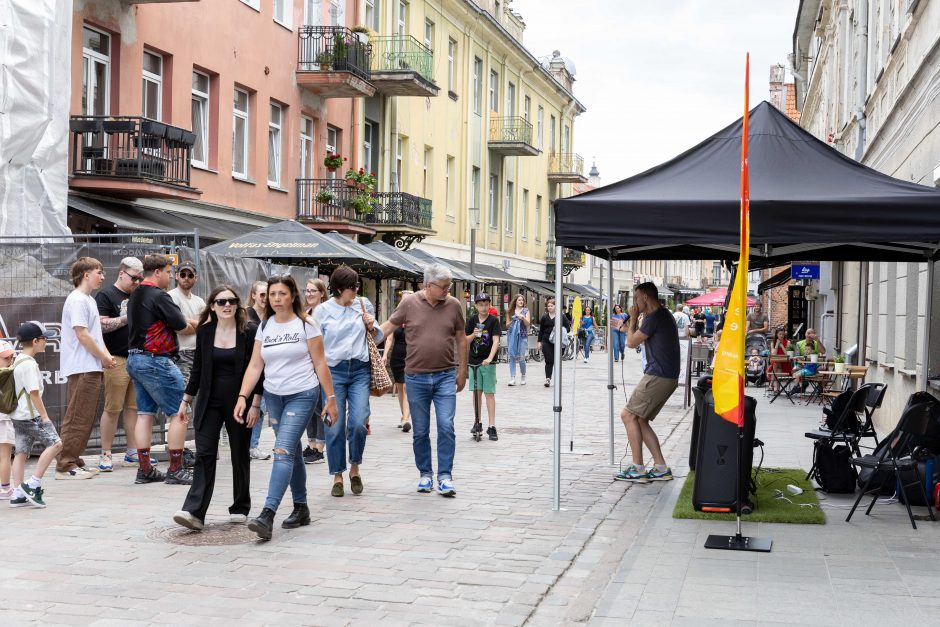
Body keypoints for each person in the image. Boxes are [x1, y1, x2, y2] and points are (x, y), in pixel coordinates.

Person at [235, 275, 337, 539]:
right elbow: (256, 365)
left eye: (282, 294)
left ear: (293, 296)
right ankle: (301, 507)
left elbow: (320, 363)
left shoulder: (306, 324)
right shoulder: (265, 326)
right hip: (274, 396)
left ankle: (267, 513)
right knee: (290, 449)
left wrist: (331, 399)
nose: (276, 299)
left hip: (302, 393)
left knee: (281, 451)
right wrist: (243, 397)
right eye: (272, 295)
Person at [173, 285, 263, 531]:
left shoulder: (250, 331)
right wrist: (186, 400)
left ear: (237, 305)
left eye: (232, 301)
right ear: (212, 305)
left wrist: (255, 403)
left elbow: (259, 371)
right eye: (221, 301)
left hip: (240, 402)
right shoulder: (205, 331)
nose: (227, 306)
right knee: (204, 453)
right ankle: (194, 512)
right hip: (209, 401)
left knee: (239, 453)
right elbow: (198, 369)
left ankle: (240, 506)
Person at [380, 263, 467, 497]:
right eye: (444, 286)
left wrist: (463, 371)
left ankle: (445, 476)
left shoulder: (454, 305)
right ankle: (425, 474)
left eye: (450, 285)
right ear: (428, 285)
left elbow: (461, 338)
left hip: (446, 375)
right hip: (416, 377)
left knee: (446, 426)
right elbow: (390, 325)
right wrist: (370, 333)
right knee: (420, 430)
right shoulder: (409, 303)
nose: (448, 290)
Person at [126, 254, 197, 486]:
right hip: (156, 360)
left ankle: (145, 469)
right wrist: (200, 322)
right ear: (157, 272)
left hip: (135, 359)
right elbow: (181, 325)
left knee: (145, 414)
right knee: (179, 412)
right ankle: (175, 469)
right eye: (168, 272)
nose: (170, 276)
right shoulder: (159, 295)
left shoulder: (135, 293)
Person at [313, 267, 383, 498]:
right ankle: (337, 475)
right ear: (340, 289)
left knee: (359, 423)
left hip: (360, 370)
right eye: (352, 287)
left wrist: (371, 325)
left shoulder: (362, 305)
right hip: (334, 372)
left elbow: (378, 336)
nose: (356, 290)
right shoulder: (322, 311)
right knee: (334, 426)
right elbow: (314, 344)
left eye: (357, 286)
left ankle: (355, 467)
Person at [612, 282, 679, 483]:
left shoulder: (654, 316)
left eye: (636, 298)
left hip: (658, 375)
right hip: (667, 376)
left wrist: (632, 318)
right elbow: (635, 336)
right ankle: (660, 467)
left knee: (628, 415)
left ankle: (638, 468)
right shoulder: (660, 316)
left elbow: (632, 343)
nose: (634, 302)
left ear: (645, 298)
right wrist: (628, 327)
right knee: (640, 419)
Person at [57, 256, 117, 480]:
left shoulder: (88, 300)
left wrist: (104, 357)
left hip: (90, 366)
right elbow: (82, 334)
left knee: (84, 416)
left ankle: (74, 460)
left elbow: (91, 334)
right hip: (82, 366)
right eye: (98, 272)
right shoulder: (78, 300)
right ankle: (65, 465)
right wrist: (104, 356)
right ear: (86, 275)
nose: (102, 276)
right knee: (77, 416)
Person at [95, 256, 144, 472]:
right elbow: (100, 325)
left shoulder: (139, 295)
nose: (137, 282)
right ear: (122, 273)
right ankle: (106, 453)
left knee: (134, 408)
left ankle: (133, 451)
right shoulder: (106, 294)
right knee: (113, 408)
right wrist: (125, 318)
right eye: (134, 278)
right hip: (116, 358)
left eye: (140, 278)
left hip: (137, 356)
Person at [9, 322, 63, 508]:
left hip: (18, 416)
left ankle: (17, 493)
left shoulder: (18, 360)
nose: (46, 342)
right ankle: (33, 483)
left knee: (21, 452)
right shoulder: (29, 364)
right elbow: (33, 393)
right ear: (35, 340)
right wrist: (45, 417)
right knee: (56, 444)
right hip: (31, 416)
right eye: (44, 338)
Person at [168, 261, 206, 409]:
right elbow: (179, 328)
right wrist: (198, 324)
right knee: (181, 399)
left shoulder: (199, 301)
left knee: (201, 398)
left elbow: (207, 325)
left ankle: (196, 432)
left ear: (195, 278)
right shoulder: (170, 297)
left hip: (199, 352)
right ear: (176, 276)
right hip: (180, 353)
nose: (186, 278)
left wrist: (189, 322)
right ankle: (174, 431)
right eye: (183, 274)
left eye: (190, 275)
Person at [466, 293, 501, 441]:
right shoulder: (472, 321)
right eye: (481, 305)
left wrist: (490, 358)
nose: (484, 307)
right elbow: (464, 340)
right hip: (473, 361)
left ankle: (491, 425)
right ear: (476, 306)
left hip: (487, 363)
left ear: (490, 305)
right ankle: (477, 421)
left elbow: (496, 341)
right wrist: (474, 335)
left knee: (489, 393)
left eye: (486, 304)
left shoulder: (493, 321)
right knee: (476, 393)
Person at [301, 278, 328, 465]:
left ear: (321, 293)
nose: (309, 294)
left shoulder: (325, 313)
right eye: (307, 290)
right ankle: (310, 444)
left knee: (320, 407)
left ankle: (320, 448)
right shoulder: (304, 313)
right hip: (306, 365)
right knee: (309, 407)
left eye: (313, 291)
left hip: (321, 364)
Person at [245, 280, 270, 460]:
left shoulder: (271, 317)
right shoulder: (246, 316)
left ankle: (252, 445)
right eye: (262, 294)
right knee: (254, 407)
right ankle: (250, 445)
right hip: (250, 370)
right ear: (253, 295)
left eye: (268, 294)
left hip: (268, 371)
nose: (265, 298)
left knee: (260, 410)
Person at [383, 290, 413, 432]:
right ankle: (403, 415)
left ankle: (407, 418)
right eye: (403, 300)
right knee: (400, 387)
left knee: (407, 387)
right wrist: (385, 355)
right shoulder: (396, 317)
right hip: (397, 357)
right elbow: (389, 337)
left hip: (411, 356)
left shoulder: (416, 317)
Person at [538, 297, 571, 386]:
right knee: (549, 360)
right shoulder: (544, 317)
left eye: (551, 306)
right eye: (548, 306)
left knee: (557, 360)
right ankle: (548, 379)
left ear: (556, 306)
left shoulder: (562, 316)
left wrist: (559, 328)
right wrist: (539, 341)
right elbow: (541, 330)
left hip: (558, 341)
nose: (549, 307)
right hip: (546, 340)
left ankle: (558, 379)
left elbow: (568, 328)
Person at [0, 341, 16, 499]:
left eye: (11, 357)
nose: (10, 361)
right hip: (3, 420)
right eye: (5, 358)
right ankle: (5, 488)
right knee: (4, 456)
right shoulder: (10, 374)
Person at [505, 294, 530, 386]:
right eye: (519, 300)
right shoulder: (510, 311)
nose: (521, 302)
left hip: (522, 336)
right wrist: (513, 320)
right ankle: (512, 377)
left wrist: (523, 318)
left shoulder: (526, 311)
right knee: (511, 356)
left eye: (522, 300)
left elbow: (528, 324)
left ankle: (523, 376)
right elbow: (507, 325)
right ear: (515, 301)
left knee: (521, 357)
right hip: (511, 336)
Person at [767, 327, 792, 392]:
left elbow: (787, 354)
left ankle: (771, 384)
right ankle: (777, 388)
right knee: (777, 367)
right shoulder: (773, 342)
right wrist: (777, 344)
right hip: (776, 363)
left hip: (785, 363)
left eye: (783, 334)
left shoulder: (788, 342)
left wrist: (782, 346)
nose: (781, 336)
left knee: (776, 364)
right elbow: (773, 354)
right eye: (780, 334)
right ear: (776, 335)